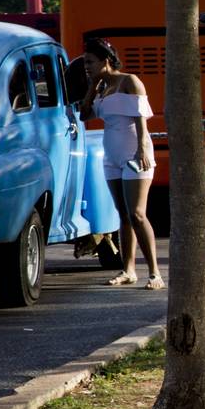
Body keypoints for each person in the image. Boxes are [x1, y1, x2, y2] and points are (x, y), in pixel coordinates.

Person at [78, 38, 164, 290]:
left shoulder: (129, 81)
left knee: (137, 214)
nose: (86, 66)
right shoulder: (102, 87)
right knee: (123, 216)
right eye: (85, 62)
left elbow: (141, 119)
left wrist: (142, 150)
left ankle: (155, 273)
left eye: (90, 62)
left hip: (135, 156)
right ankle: (128, 270)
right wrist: (92, 85)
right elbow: (84, 114)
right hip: (112, 158)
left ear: (105, 60)